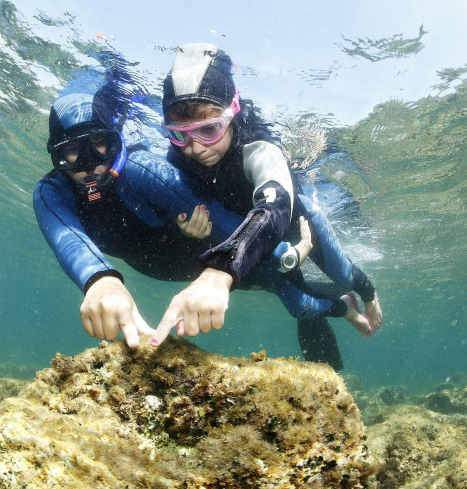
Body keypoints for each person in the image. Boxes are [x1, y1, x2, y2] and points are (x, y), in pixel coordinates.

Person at [33, 80, 350, 368]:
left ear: (114, 140)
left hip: (208, 257)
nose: (89, 162)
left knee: (296, 298)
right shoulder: (52, 193)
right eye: (71, 151)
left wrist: (284, 255)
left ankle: (343, 304)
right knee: (293, 296)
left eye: (98, 143)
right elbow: (67, 237)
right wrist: (101, 281)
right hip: (176, 271)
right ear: (55, 157)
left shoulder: (141, 169)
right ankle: (337, 303)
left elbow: (220, 219)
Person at [150, 43, 382, 346]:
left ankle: (367, 293)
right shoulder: (179, 154)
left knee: (342, 274)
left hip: (298, 224)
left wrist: (222, 268)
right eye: (180, 134)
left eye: (209, 130)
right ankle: (345, 308)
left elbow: (276, 205)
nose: (195, 147)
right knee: (299, 307)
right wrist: (184, 228)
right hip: (255, 242)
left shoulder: (258, 146)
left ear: (232, 113)